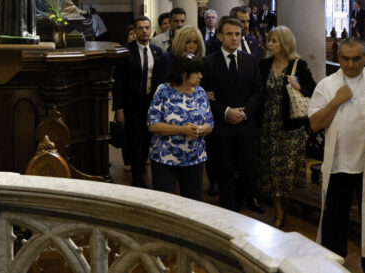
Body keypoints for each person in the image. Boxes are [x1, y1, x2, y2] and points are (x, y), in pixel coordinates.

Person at [308, 36, 365, 273]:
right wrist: (336, 102)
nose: (349, 64)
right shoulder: (327, 85)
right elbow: (315, 124)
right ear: (337, 57)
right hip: (338, 165)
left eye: (355, 59)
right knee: (333, 226)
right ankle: (333, 268)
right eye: (344, 59)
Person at [201, 18, 263, 212]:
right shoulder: (208, 62)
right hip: (221, 127)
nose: (234, 38)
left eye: (237, 34)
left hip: (245, 126)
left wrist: (244, 112)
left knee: (247, 172)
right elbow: (204, 96)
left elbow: (258, 91)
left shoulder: (250, 61)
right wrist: (226, 111)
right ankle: (229, 210)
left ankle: (240, 206)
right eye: (229, 34)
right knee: (225, 172)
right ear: (220, 36)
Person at [259, 26, 316, 228]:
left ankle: (285, 206)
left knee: (287, 173)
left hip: (291, 128)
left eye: (274, 41)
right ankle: (279, 212)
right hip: (268, 127)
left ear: (285, 43)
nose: (270, 44)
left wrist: (298, 85)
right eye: (269, 40)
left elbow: (314, 90)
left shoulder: (298, 65)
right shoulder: (264, 65)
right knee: (273, 171)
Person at [147, 53, 214, 200]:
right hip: (164, 158)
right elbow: (153, 125)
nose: (201, 76)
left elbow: (210, 123)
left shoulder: (201, 92)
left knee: (193, 204)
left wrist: (200, 129)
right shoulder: (163, 90)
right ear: (184, 74)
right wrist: (181, 130)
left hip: (194, 159)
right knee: (165, 205)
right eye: (196, 72)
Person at [112, 16, 165, 188]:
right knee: (135, 141)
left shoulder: (157, 51)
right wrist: (118, 109)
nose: (144, 31)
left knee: (148, 139)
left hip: (151, 104)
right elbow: (117, 82)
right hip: (132, 104)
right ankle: (137, 177)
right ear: (134, 31)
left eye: (147, 28)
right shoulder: (125, 51)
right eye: (140, 28)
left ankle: (143, 171)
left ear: (151, 30)